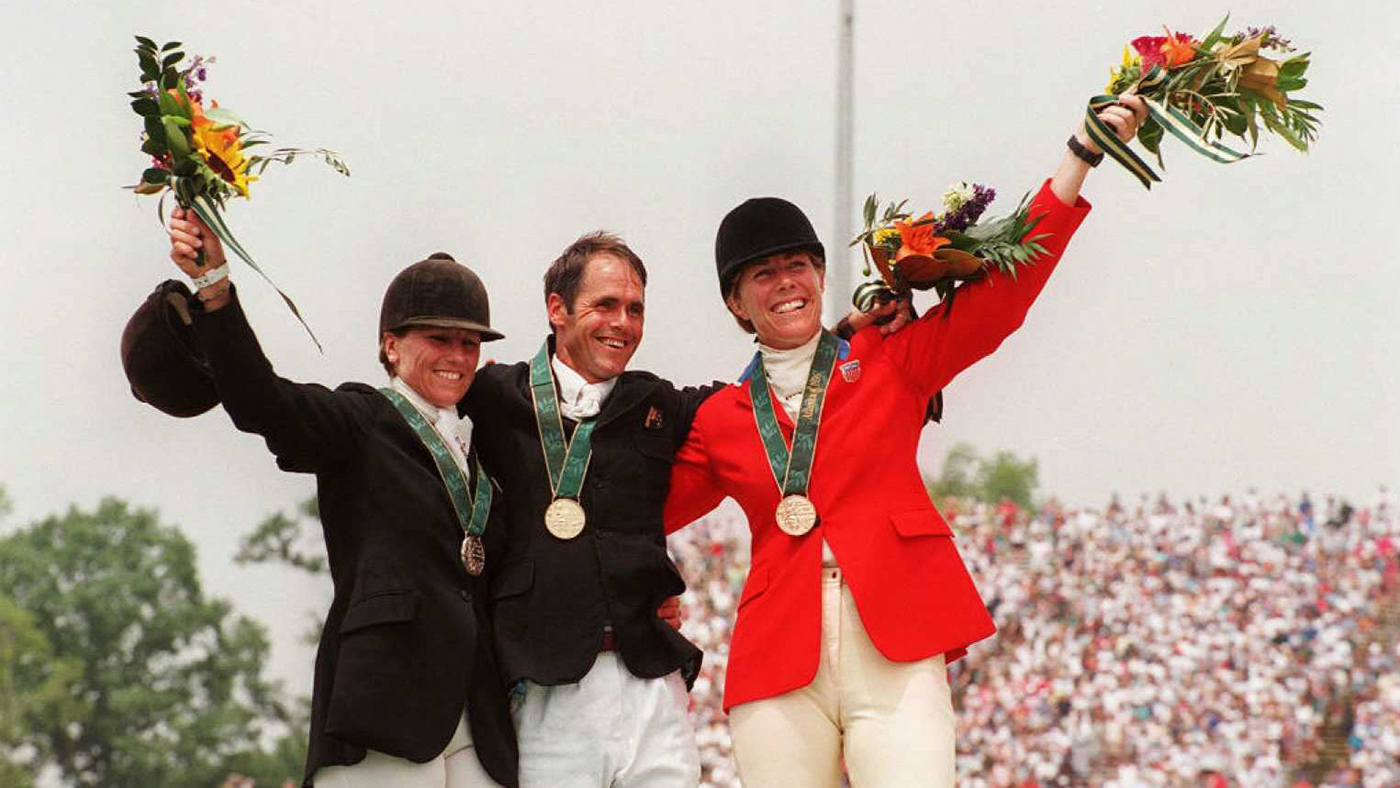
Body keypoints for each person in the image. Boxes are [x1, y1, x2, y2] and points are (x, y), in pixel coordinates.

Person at [662, 96, 1148, 787]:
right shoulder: (720, 417)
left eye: (799, 264)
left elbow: (1001, 301)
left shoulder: (888, 359)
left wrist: (1080, 157)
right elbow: (641, 507)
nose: (787, 283)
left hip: (895, 639)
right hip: (778, 663)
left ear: (823, 275)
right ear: (736, 303)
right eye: (763, 274)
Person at [461, 232, 904, 788]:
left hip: (649, 679)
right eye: (605, 305)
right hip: (545, 687)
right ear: (557, 309)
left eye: (635, 309)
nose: (622, 322)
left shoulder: (656, 403)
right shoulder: (492, 395)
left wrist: (835, 341)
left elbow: (757, 399)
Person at [164, 209, 518, 788]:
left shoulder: (486, 444)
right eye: (439, 339)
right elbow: (264, 402)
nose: (457, 356)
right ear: (391, 345)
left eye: (469, 342)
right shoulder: (360, 421)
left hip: (478, 714)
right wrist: (216, 292)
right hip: (387, 705)